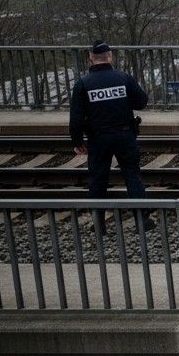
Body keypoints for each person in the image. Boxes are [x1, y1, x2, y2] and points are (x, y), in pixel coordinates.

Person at [68, 40, 155, 232]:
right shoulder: (123, 78)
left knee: (98, 179)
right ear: (110, 56)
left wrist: (77, 142)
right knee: (132, 176)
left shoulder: (83, 84)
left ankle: (99, 224)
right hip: (125, 134)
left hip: (98, 138)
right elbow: (141, 102)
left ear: (91, 57)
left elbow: (75, 118)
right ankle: (143, 221)